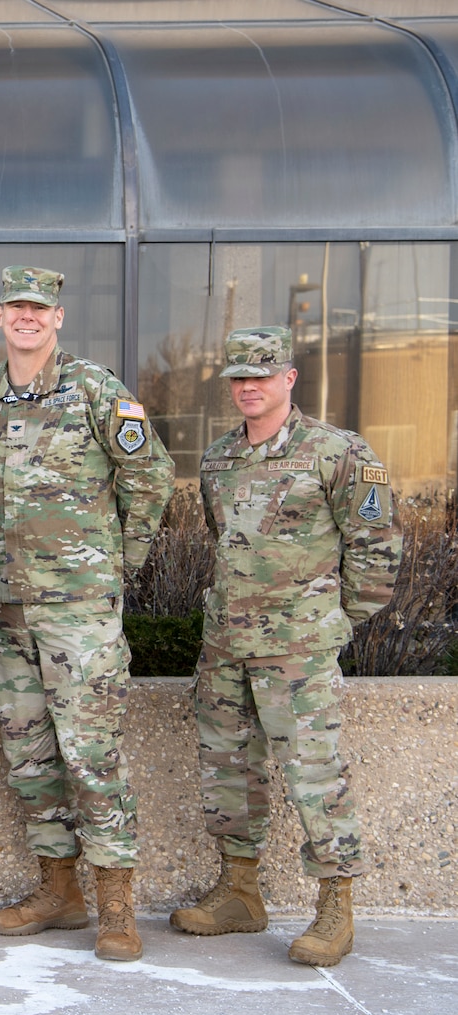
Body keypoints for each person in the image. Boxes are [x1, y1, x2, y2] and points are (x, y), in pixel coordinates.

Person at [0, 265, 172, 962]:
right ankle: (59, 891)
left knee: (92, 755)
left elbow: (150, 477)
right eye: (15, 305)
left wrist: (117, 568)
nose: (27, 317)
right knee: (30, 758)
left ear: (58, 317)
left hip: (80, 610)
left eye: (38, 308)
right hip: (10, 609)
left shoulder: (96, 390)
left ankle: (116, 908)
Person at [171, 326, 402, 967]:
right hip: (225, 646)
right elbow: (225, 541)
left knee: (314, 776)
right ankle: (240, 893)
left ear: (289, 379)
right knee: (228, 773)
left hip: (297, 651)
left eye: (262, 376)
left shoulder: (338, 452)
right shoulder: (218, 458)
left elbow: (377, 549)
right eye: (239, 378)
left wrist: (333, 622)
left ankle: (336, 905)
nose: (249, 387)